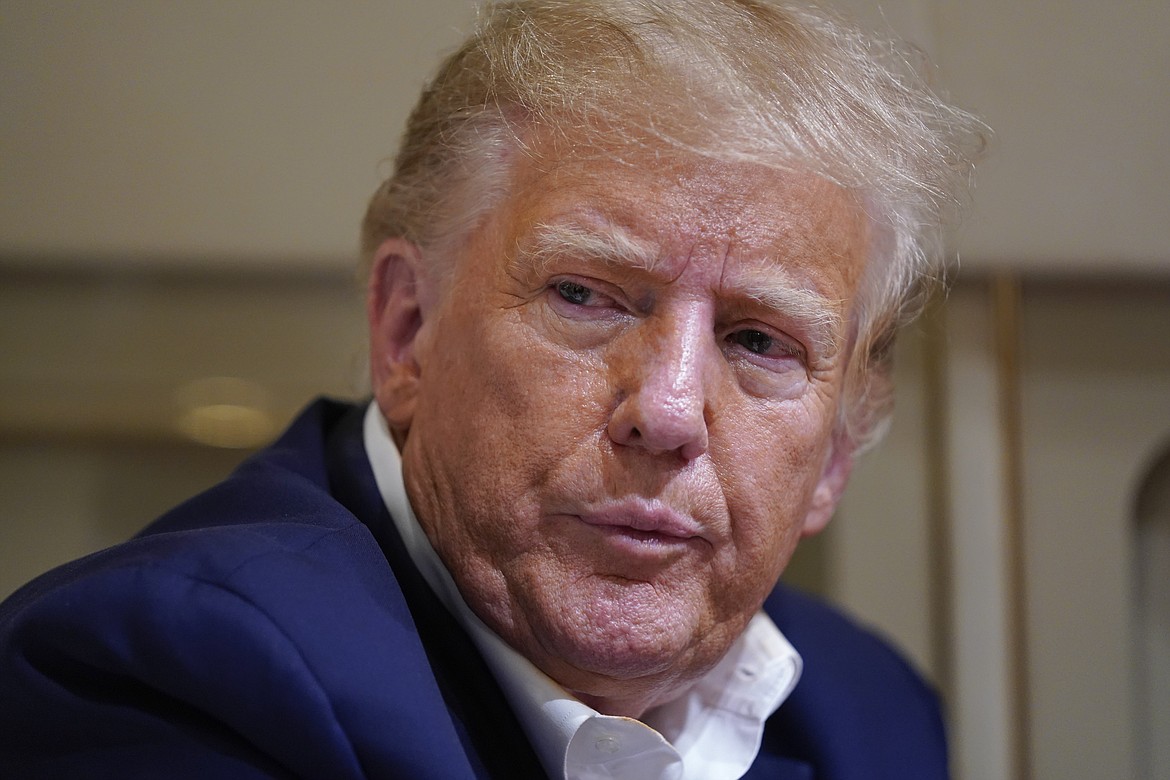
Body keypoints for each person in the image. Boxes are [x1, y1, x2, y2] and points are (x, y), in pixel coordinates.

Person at [0, 1, 983, 777]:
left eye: (759, 339)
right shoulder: (170, 679)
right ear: (407, 332)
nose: (672, 410)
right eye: (585, 296)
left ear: (839, 454)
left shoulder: (874, 712)